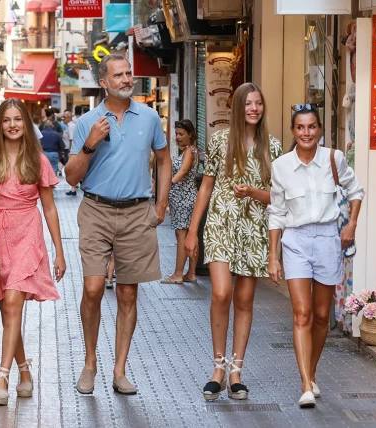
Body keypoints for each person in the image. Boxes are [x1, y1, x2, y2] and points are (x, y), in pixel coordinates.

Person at [65, 54, 171, 396]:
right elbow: (70, 177)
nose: (127, 79)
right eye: (119, 75)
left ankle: (120, 370)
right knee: (94, 289)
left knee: (128, 293)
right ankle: (90, 362)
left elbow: (165, 160)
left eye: (129, 73)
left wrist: (161, 204)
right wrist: (90, 143)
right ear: (104, 82)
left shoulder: (150, 117)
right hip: (95, 209)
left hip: (137, 213)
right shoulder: (88, 121)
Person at [184, 83, 282, 401]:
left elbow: (279, 199)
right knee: (221, 292)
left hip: (254, 229)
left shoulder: (274, 147)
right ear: (238, 108)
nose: (254, 108)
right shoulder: (220, 141)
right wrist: (191, 230)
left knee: (244, 301)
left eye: (258, 103)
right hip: (220, 225)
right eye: (248, 104)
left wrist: (253, 192)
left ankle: (236, 372)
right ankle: (218, 367)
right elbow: (206, 187)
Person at [267, 104, 364, 408]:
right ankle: (305, 384)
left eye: (311, 127)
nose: (306, 133)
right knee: (303, 313)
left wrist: (351, 224)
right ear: (293, 131)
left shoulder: (333, 159)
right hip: (295, 240)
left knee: (323, 316)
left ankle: (312, 372)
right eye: (300, 127)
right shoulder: (281, 165)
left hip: (326, 239)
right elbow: (276, 213)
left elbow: (356, 190)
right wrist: (273, 255)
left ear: (319, 129)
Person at [0, 98, 66, 406]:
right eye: (7, 119)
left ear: (25, 124)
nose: (13, 124)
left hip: (28, 232)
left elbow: (50, 208)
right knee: (7, 310)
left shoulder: (38, 161)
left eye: (18, 119)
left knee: (13, 302)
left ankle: (2, 376)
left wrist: (59, 250)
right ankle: (25, 371)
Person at [161, 119, 199, 284]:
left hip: (184, 197)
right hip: (185, 198)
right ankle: (190, 273)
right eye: (176, 134)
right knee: (190, 235)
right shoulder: (190, 151)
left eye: (181, 134)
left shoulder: (189, 151)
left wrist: (168, 185)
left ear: (190, 134)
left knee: (182, 235)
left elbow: (183, 171)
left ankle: (178, 274)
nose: (177, 137)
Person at [62, 110, 77, 185]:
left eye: (64, 117)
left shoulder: (71, 126)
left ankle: (73, 186)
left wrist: (69, 151)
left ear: (69, 118)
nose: (63, 119)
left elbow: (71, 139)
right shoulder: (69, 125)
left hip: (68, 149)